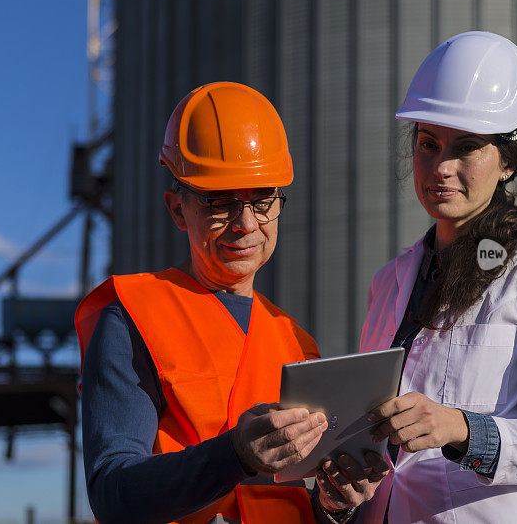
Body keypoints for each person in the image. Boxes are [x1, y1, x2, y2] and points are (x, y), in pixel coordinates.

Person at [316, 31, 517, 522]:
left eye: (465, 148)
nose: (440, 167)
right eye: (428, 144)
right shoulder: (390, 282)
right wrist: (343, 494)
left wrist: (460, 428)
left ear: (508, 162)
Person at [75, 82, 333, 523]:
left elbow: (296, 501)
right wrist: (234, 455)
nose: (246, 223)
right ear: (178, 210)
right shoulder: (135, 315)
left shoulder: (295, 342)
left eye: (263, 199)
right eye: (221, 202)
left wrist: (338, 504)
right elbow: (113, 491)